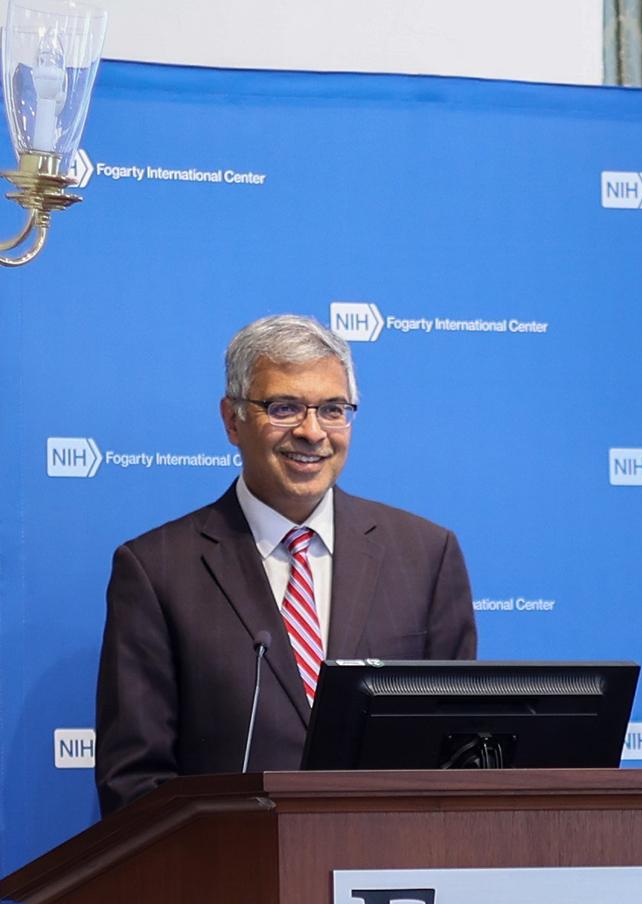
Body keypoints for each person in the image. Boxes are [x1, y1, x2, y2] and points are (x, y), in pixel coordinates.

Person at [95, 315, 476, 815]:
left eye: (333, 409)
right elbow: (135, 783)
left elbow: (461, 752)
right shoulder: (156, 570)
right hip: (234, 877)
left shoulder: (426, 555)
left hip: (393, 876)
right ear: (232, 420)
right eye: (284, 407)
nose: (312, 431)